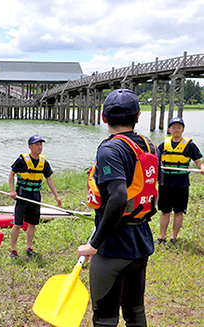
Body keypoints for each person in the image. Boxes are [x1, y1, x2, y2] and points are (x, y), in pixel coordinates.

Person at [78, 89, 159, 326]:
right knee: (135, 312)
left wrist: (94, 244)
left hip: (113, 248)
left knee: (105, 319)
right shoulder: (150, 146)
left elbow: (119, 197)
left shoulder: (110, 149)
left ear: (103, 117)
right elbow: (154, 190)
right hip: (140, 243)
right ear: (138, 116)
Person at [8, 134, 62, 258]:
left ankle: (28, 247)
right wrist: (12, 191)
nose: (40, 147)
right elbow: (11, 174)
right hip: (22, 196)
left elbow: (49, 179)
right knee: (17, 224)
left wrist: (56, 196)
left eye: (41, 144)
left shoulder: (43, 162)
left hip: (35, 197)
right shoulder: (22, 160)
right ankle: (13, 250)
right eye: (37, 144)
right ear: (30, 147)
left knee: (32, 224)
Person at [156, 117, 204, 245]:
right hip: (165, 181)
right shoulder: (163, 144)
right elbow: (155, 159)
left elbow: (198, 161)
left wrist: (202, 168)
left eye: (179, 127)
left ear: (183, 129)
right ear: (169, 129)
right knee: (165, 211)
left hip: (181, 183)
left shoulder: (190, 145)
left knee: (178, 211)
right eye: (174, 127)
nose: (176, 130)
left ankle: (174, 238)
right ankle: (161, 237)